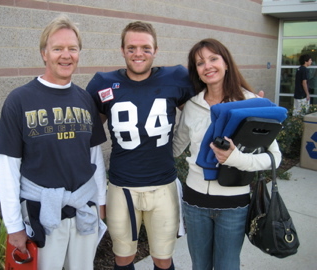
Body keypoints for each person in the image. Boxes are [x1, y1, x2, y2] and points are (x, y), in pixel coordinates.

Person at [0, 14, 107, 270]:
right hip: (40, 215)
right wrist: (14, 227)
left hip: (82, 211)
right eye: (58, 48)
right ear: (44, 53)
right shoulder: (19, 100)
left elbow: (94, 157)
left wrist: (100, 204)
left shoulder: (84, 99)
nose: (66, 55)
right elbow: (8, 169)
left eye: (72, 49)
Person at [86, 21, 195, 270]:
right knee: (123, 257)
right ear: (122, 50)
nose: (138, 54)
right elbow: (87, 131)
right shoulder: (103, 83)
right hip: (122, 186)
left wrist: (244, 101)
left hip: (163, 185)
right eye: (132, 47)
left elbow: (204, 106)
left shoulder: (175, 78)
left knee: (163, 258)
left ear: (156, 50)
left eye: (146, 48)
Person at [173, 38, 282, 270]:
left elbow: (275, 157)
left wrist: (235, 159)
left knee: (227, 266)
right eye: (200, 63)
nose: (208, 66)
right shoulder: (192, 105)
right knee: (199, 266)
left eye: (213, 59)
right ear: (197, 72)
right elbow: (175, 148)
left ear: (226, 63)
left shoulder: (251, 103)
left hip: (234, 204)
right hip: (195, 203)